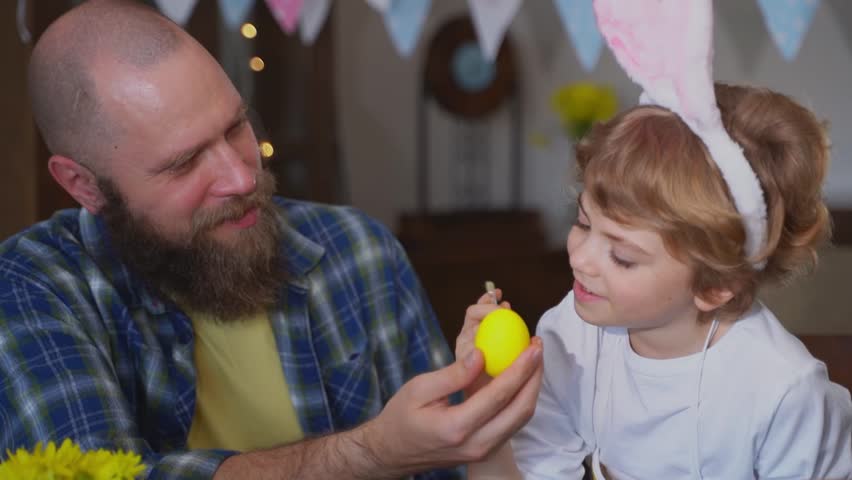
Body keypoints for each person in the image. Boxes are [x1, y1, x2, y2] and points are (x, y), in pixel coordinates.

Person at [0, 1, 544, 478]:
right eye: (185, 163)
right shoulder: (33, 287)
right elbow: (102, 475)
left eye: (237, 127)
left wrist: (480, 432)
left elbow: (450, 471)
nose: (242, 178)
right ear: (84, 185)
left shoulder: (360, 250)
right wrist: (373, 452)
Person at [456, 1, 852, 478]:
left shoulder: (781, 395)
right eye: (584, 223)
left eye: (622, 256)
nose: (580, 259)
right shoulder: (572, 336)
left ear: (714, 287)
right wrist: (485, 412)